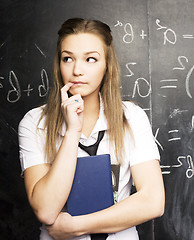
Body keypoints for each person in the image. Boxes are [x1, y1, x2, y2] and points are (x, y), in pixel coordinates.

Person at [18, 18, 165, 240]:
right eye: (68, 59)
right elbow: (46, 210)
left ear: (107, 65)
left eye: (90, 59)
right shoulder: (35, 122)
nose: (77, 70)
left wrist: (77, 226)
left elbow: (153, 202)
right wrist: (72, 132)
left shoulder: (131, 117)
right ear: (59, 65)